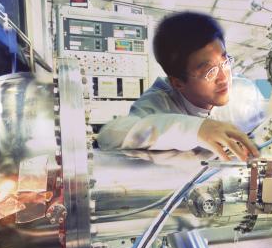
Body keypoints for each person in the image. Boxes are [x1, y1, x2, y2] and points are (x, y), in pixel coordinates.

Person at [97, 11, 263, 161]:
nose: (224, 78)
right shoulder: (159, 102)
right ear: (177, 82)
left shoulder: (244, 93)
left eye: (225, 61)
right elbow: (109, 136)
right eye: (209, 72)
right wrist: (196, 129)